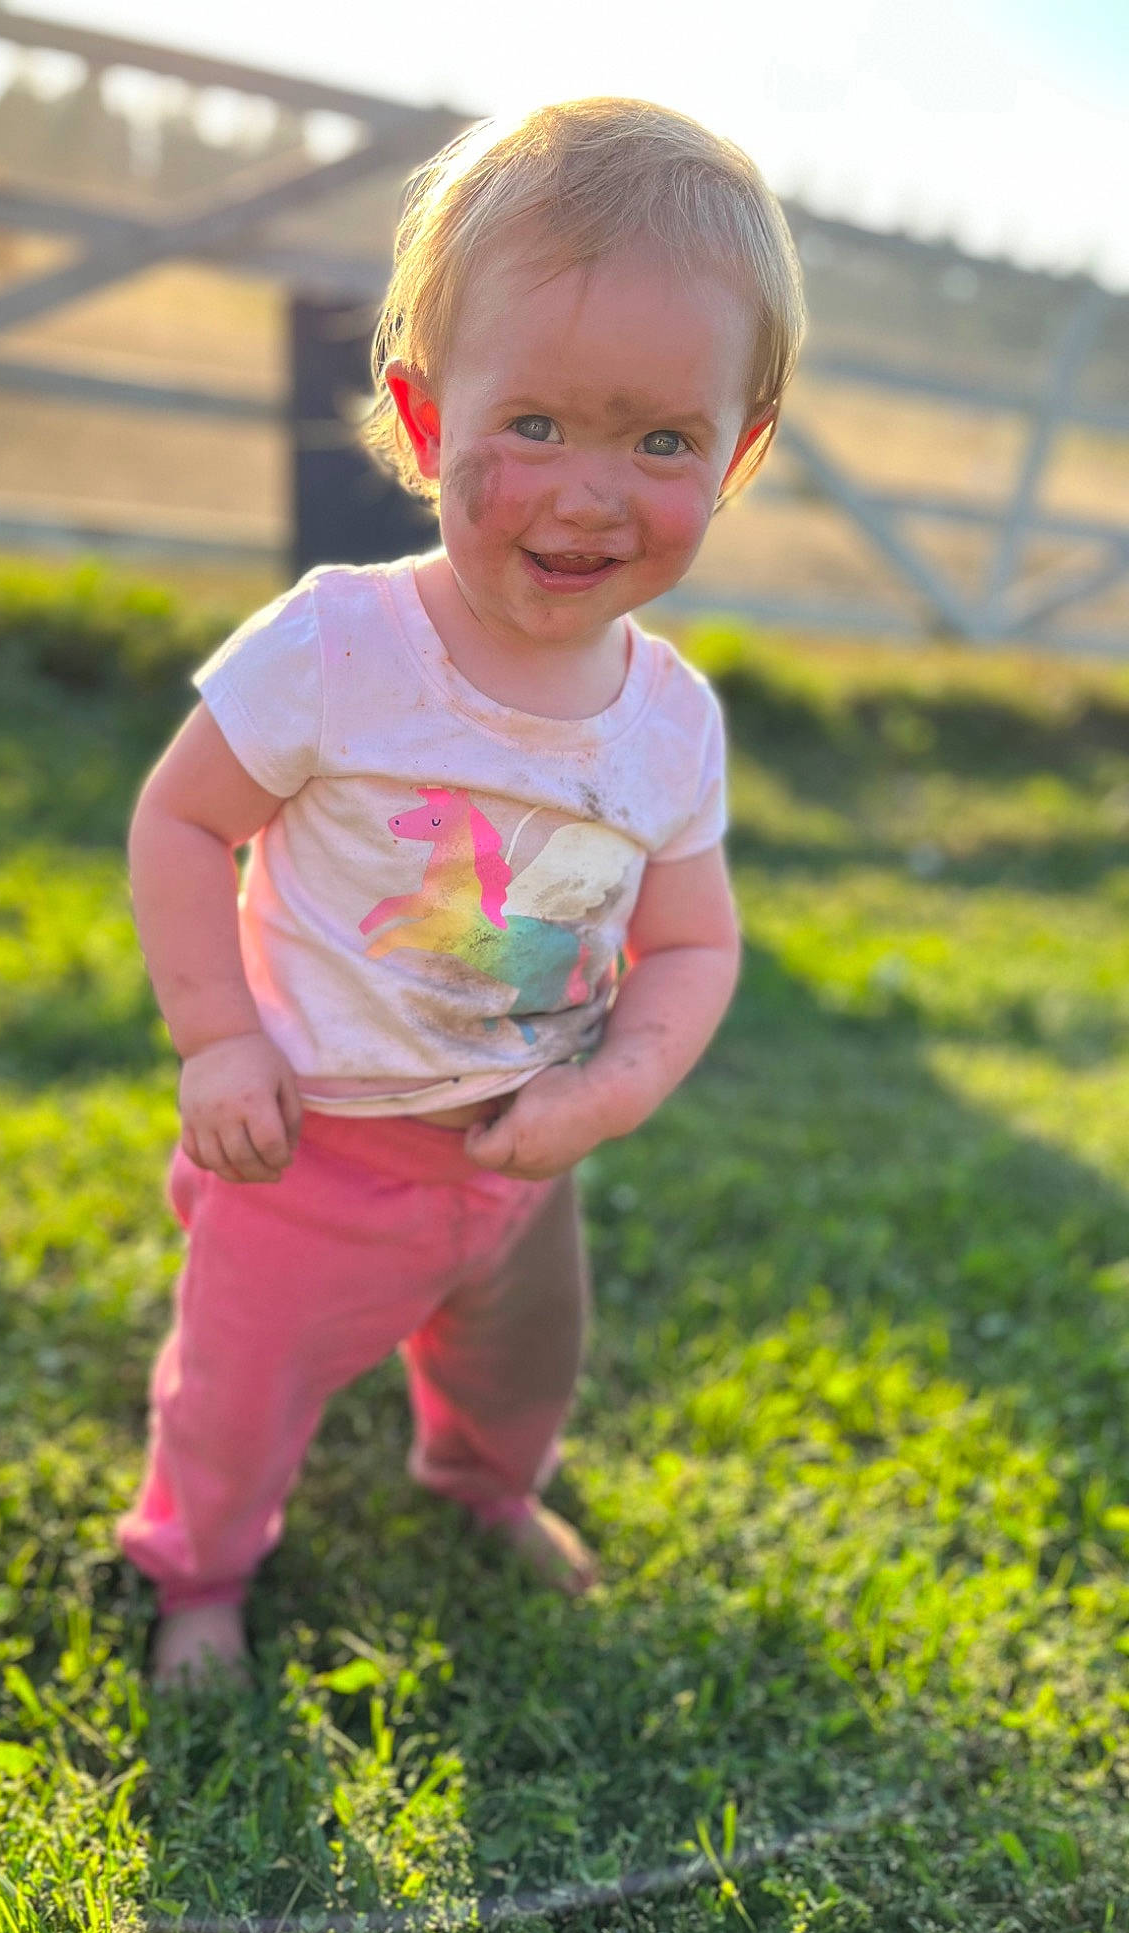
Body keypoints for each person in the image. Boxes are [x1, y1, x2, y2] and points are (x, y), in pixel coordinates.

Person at [118, 97, 805, 1686]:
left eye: (662, 441)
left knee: (522, 1365)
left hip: (521, 1149)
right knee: (237, 1391)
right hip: (313, 1146)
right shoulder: (341, 647)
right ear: (428, 426)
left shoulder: (669, 721)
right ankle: (200, 1573)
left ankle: (483, 1484)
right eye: (536, 426)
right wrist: (219, 1040)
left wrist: (613, 1091)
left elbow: (694, 941)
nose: (590, 494)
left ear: (738, 453)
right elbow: (182, 823)